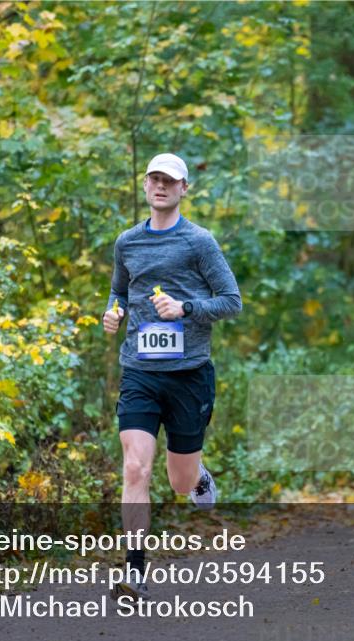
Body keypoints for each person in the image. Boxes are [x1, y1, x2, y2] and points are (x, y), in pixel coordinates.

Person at [102, 152, 242, 601]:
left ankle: (197, 476)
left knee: (180, 482)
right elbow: (119, 291)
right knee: (135, 467)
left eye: (170, 180)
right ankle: (134, 571)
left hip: (189, 375)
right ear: (145, 185)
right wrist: (114, 312)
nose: (161, 186)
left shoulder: (199, 242)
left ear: (184, 188)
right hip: (140, 372)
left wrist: (186, 308)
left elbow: (232, 301)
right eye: (154, 179)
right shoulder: (127, 242)